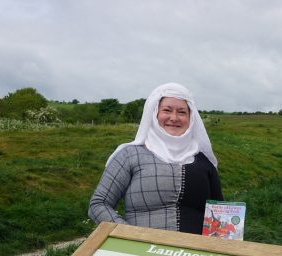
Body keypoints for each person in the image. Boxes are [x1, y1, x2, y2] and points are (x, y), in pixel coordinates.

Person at [88, 82, 223, 233]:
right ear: (154, 113)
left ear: (191, 118)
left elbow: (219, 214)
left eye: (182, 112)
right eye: (167, 110)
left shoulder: (204, 162)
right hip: (142, 254)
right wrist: (130, 236)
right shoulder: (130, 155)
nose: (174, 118)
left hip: (195, 254)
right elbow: (99, 204)